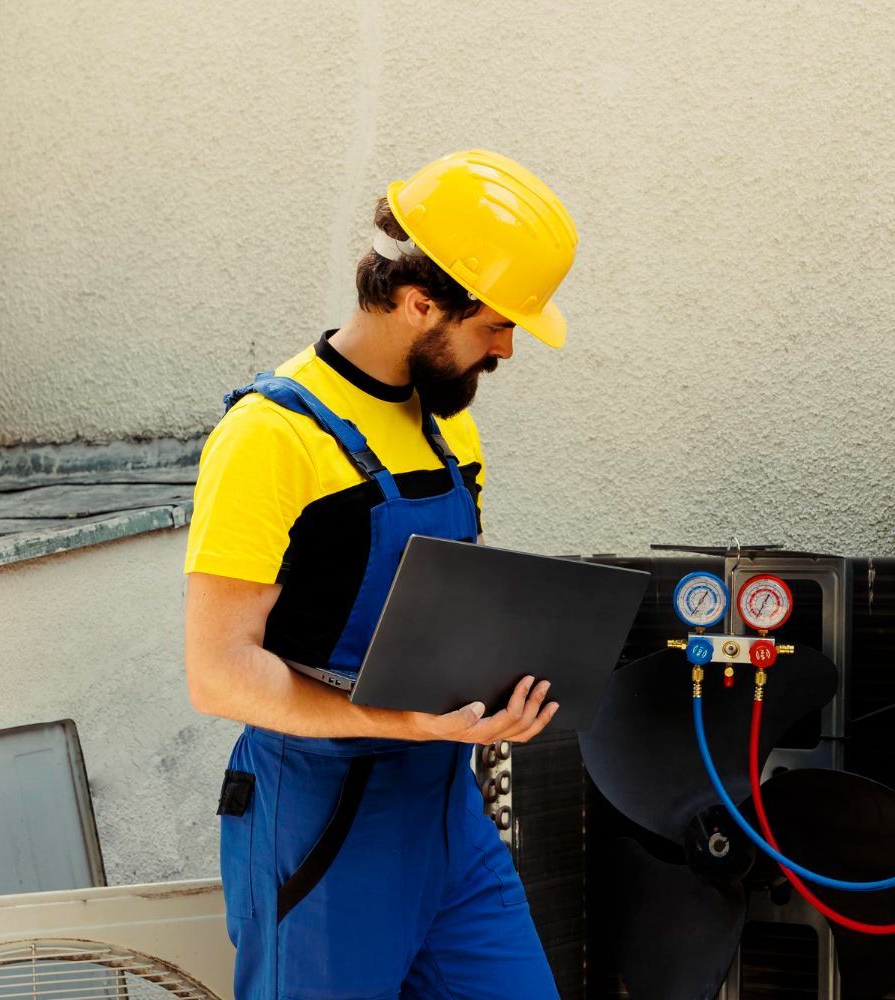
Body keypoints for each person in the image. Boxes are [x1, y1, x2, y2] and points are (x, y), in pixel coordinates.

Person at [183, 150, 576, 999]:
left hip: (445, 816)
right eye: (496, 324)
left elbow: (444, 616)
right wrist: (407, 721)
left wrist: (507, 691)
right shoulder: (270, 439)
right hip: (320, 817)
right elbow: (218, 676)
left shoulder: (448, 429)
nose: (507, 348)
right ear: (418, 303)